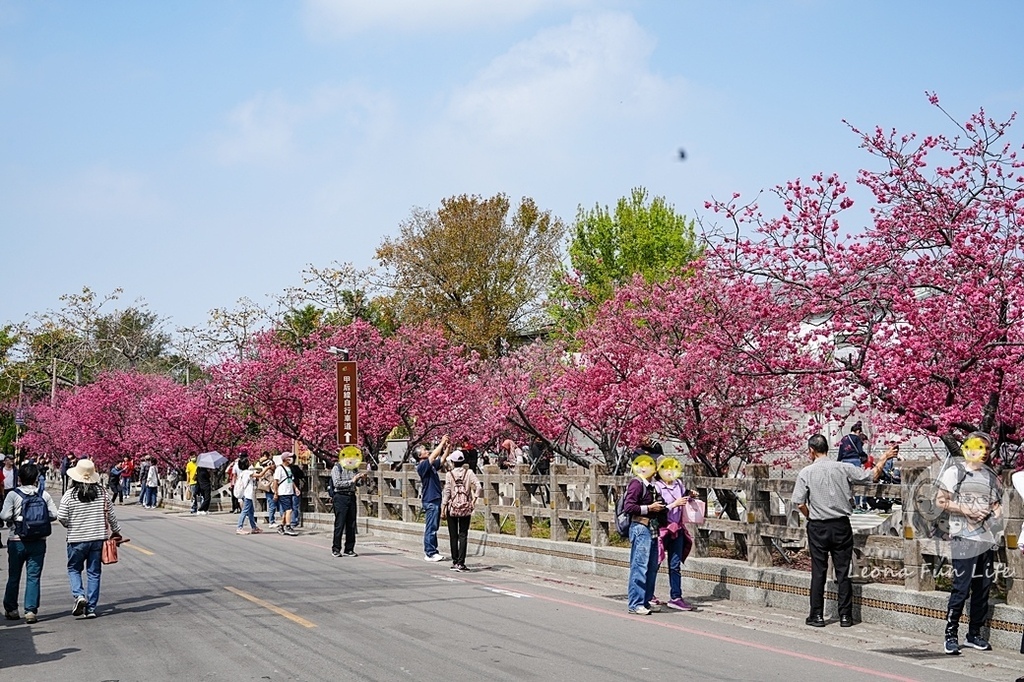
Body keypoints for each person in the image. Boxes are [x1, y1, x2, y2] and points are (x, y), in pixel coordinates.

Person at [792, 434, 897, 628]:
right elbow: (871, 476)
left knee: (818, 572)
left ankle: (816, 615)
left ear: (811, 451)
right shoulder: (842, 467)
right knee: (843, 571)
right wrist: (884, 458)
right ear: (827, 449)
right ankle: (845, 616)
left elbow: (799, 503)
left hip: (818, 525)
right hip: (841, 525)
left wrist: (810, 515)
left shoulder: (806, 472)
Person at [935, 431, 1002, 655]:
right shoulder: (956, 472)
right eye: (979, 447)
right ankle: (950, 634)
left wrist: (994, 516)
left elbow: (996, 505)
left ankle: (974, 634)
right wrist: (966, 510)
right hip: (963, 538)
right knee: (961, 588)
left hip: (986, 539)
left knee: (982, 589)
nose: (984, 453)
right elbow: (941, 501)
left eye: (987, 449)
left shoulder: (991, 476)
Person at [57, 459, 122, 619]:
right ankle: (91, 608)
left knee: (74, 569)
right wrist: (117, 531)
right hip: (97, 539)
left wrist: (70, 525)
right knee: (94, 573)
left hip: (76, 539)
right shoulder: (102, 494)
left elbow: (61, 516)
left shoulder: (69, 495)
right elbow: (111, 516)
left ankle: (79, 595)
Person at [1, 462, 59, 623]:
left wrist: (17, 518)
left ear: (19, 479)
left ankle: (11, 609)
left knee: (14, 575)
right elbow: (54, 514)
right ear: (35, 479)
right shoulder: (43, 495)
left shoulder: (13, 495)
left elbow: (4, 515)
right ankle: (30, 611)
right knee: (33, 576)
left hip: (16, 540)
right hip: (38, 541)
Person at [622, 454, 666, 615]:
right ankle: (635, 603)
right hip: (641, 528)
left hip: (653, 529)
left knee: (652, 567)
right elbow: (629, 507)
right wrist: (649, 508)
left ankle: (646, 600)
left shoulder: (653, 486)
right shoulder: (636, 484)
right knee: (639, 566)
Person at [652, 457, 696, 611]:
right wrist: (674, 504)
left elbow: (684, 495)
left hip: (677, 529)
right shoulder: (656, 487)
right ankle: (648, 594)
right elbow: (657, 509)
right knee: (654, 563)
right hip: (662, 530)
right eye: (666, 468)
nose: (669, 471)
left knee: (675, 565)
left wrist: (690, 495)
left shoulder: (679, 484)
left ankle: (676, 597)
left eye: (672, 468)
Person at [442, 450, 479, 572]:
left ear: (452, 462)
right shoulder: (469, 472)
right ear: (463, 462)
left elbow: (447, 492)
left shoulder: (449, 474)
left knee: (453, 535)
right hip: (465, 506)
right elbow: (479, 486)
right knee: (463, 534)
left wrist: (443, 507)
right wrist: (474, 500)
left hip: (452, 507)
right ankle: (461, 563)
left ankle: (454, 561)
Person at [416, 435, 450, 562]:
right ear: (420, 456)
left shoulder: (430, 466)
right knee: (431, 527)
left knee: (434, 527)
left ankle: (433, 551)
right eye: (424, 450)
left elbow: (441, 460)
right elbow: (433, 456)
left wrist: (447, 447)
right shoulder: (422, 466)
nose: (427, 451)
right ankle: (430, 552)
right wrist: (441, 443)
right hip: (430, 500)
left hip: (435, 498)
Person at [330, 450, 369, 557]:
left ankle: (349, 548)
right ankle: (336, 548)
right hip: (340, 497)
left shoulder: (354, 468)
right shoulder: (337, 468)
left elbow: (358, 484)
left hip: (351, 496)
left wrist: (362, 479)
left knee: (351, 523)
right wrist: (352, 480)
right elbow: (337, 483)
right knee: (340, 523)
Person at [233, 456, 261, 535]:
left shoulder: (242, 473)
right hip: (248, 495)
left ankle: (254, 527)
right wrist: (267, 468)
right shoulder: (248, 472)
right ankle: (239, 527)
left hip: (246, 494)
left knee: (251, 512)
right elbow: (260, 475)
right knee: (245, 512)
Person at [272, 453, 299, 536]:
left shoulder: (289, 468)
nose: (291, 459)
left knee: (285, 511)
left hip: (289, 491)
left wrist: (296, 488)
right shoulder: (279, 469)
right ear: (285, 459)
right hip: (283, 492)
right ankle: (288, 526)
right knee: (289, 510)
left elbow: (291, 479)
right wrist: (276, 493)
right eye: (289, 457)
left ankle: (281, 526)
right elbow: (276, 481)